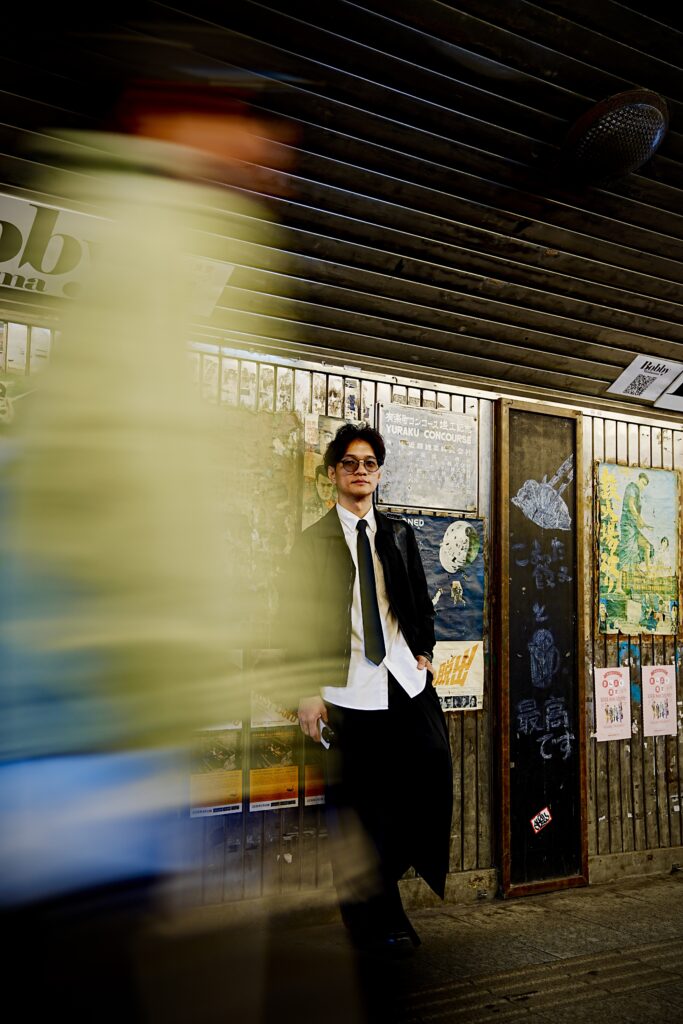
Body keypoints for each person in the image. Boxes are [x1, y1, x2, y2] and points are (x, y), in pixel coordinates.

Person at [282, 423, 452, 955]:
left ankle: (382, 902)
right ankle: (374, 921)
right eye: (350, 463)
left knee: (429, 773)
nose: (361, 471)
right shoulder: (312, 542)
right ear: (333, 473)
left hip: (402, 680)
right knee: (357, 812)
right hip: (347, 689)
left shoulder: (398, 534)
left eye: (370, 464)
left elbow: (420, 599)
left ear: (378, 475)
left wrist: (424, 652)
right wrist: (306, 691)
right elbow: (294, 622)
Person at [618, 472, 654, 574]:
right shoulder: (631, 488)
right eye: (643, 483)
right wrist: (639, 519)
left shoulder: (637, 492)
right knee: (628, 550)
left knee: (647, 545)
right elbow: (631, 505)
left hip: (634, 527)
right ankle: (622, 579)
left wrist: (644, 524)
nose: (643, 486)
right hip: (627, 525)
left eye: (645, 485)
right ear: (638, 479)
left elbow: (637, 515)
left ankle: (648, 572)